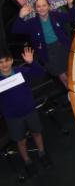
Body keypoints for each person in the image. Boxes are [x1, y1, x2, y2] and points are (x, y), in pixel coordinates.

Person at [0, 47, 50, 178]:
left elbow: (40, 73)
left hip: (29, 111)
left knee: (37, 133)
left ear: (11, 61)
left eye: (6, 61)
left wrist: (32, 63)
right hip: (13, 117)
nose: (4, 64)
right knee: (20, 141)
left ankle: (42, 153)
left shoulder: (20, 71)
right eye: (1, 62)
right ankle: (27, 161)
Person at [13, 0, 75, 87]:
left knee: (72, 70)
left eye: (44, 5)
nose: (41, 8)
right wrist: (21, 16)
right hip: (48, 52)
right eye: (38, 6)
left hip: (62, 46)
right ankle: (70, 92)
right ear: (35, 9)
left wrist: (70, 4)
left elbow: (72, 18)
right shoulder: (32, 23)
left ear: (49, 7)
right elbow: (16, 29)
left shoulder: (56, 15)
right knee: (63, 77)